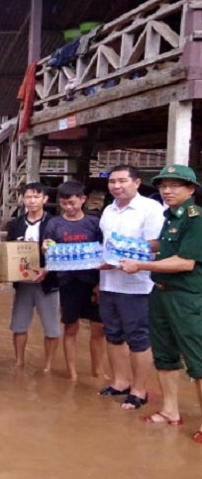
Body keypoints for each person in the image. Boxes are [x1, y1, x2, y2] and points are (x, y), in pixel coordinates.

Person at [120, 164, 202, 442]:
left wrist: (140, 264)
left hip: (187, 297)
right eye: (163, 185)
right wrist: (130, 246)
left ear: (191, 189)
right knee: (165, 355)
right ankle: (170, 411)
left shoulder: (196, 218)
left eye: (175, 185)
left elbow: (185, 261)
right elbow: (165, 247)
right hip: (162, 293)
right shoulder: (171, 217)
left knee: (197, 359)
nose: (167, 190)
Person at [98, 165, 165, 409]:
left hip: (137, 285)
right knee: (113, 333)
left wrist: (123, 257)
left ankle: (139, 389)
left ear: (137, 183)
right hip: (109, 282)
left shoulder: (151, 209)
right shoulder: (108, 210)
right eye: (113, 181)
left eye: (123, 181)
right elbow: (105, 245)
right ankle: (120, 382)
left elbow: (156, 244)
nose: (116, 185)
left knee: (138, 336)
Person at [43, 181, 107, 381]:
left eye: (72, 203)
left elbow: (104, 251)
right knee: (70, 327)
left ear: (83, 199)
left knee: (99, 328)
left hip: (92, 282)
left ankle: (98, 370)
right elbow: (48, 251)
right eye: (64, 204)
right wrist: (46, 248)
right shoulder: (54, 224)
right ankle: (72, 372)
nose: (69, 208)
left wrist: (99, 284)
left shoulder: (94, 223)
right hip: (67, 282)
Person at [7, 183, 60, 372]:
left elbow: (61, 254)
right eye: (28, 197)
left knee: (52, 327)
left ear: (45, 199)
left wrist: (47, 268)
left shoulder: (54, 223)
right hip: (23, 282)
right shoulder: (15, 224)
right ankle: (19, 361)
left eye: (36, 197)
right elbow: (9, 252)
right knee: (19, 325)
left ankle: (48, 365)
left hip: (48, 281)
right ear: (23, 199)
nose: (32, 201)